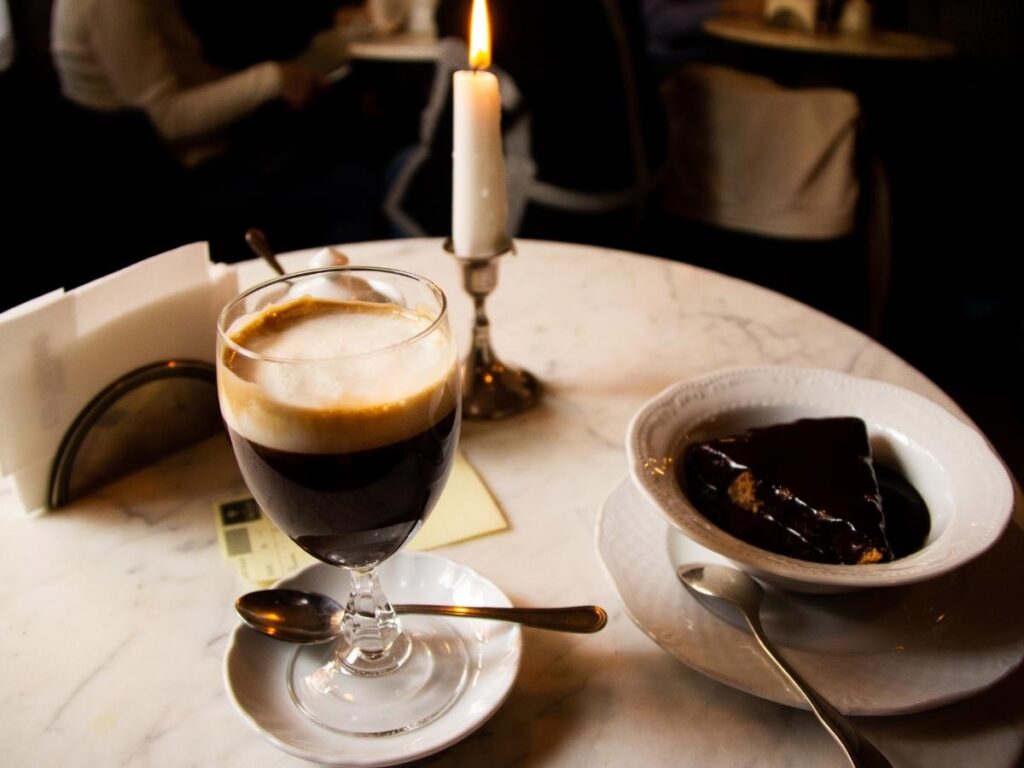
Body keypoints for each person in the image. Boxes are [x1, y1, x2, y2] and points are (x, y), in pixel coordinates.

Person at [51, 0, 384, 263]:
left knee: (346, 143)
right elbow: (166, 118)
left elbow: (188, 75)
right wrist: (272, 79)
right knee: (354, 188)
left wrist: (300, 67)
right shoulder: (110, 6)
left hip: (199, 159)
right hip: (166, 187)